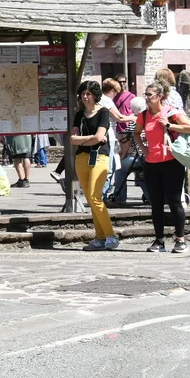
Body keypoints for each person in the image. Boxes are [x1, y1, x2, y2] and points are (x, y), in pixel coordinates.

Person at [134, 80, 190, 254]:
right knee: (156, 203)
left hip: (172, 162)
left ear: (160, 96)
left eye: (150, 95)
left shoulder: (171, 112)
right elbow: (136, 133)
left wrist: (169, 125)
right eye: (146, 94)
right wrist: (143, 148)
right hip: (151, 164)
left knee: (174, 201)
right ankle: (159, 240)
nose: (147, 98)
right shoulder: (144, 115)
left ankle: (180, 239)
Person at [72, 81, 117, 251]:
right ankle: (100, 237)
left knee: (95, 196)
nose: (85, 97)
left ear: (95, 95)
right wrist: (91, 139)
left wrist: (85, 139)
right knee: (90, 199)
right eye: (83, 94)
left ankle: (111, 235)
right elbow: (73, 139)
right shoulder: (79, 114)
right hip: (81, 158)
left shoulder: (103, 112)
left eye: (89, 94)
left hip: (99, 156)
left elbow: (100, 137)